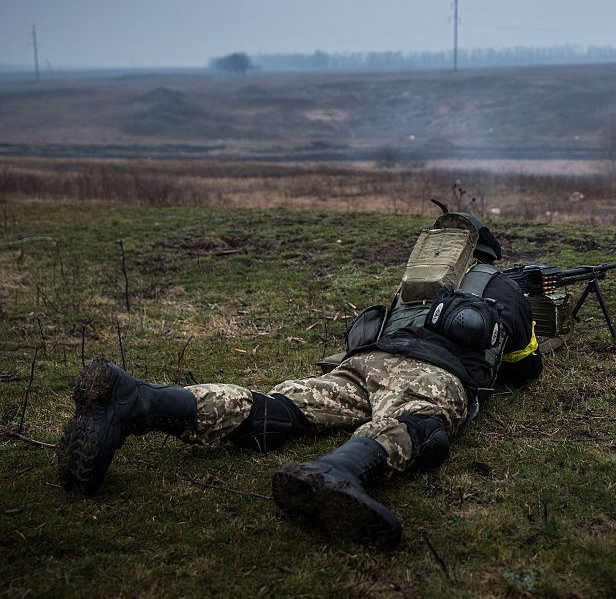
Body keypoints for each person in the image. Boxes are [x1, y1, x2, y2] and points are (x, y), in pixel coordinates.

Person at [57, 212, 541, 547]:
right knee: (418, 425)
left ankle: (137, 400)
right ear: (489, 254)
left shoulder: (415, 286)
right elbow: (522, 367)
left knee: (281, 410)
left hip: (362, 364)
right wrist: (525, 306)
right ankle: (340, 471)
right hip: (434, 375)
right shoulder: (501, 286)